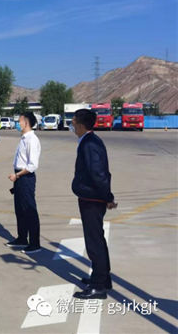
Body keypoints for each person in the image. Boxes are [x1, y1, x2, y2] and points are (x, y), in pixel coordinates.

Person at [71, 109, 117, 299]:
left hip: (92, 199)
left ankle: (98, 286)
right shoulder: (89, 141)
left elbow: (98, 173)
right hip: (92, 197)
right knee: (97, 239)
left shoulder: (90, 143)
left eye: (73, 122)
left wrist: (108, 197)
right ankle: (103, 278)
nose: (72, 125)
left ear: (81, 125)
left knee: (94, 242)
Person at [6, 111, 42, 253]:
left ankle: (35, 243)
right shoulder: (23, 138)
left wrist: (17, 175)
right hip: (19, 177)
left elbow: (32, 165)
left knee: (29, 210)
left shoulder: (32, 140)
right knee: (20, 209)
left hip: (25, 177)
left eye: (19, 121)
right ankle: (22, 238)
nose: (17, 123)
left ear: (26, 123)